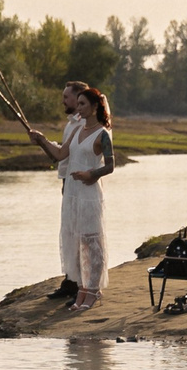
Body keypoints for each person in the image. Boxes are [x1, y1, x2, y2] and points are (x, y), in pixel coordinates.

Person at [22, 81, 116, 312]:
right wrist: (42, 140)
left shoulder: (102, 134)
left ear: (94, 107)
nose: (79, 108)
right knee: (76, 241)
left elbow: (110, 165)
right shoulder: (76, 130)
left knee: (92, 243)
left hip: (89, 193)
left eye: (83, 104)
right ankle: (82, 289)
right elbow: (60, 154)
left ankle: (93, 291)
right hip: (72, 193)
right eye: (79, 103)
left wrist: (91, 174)